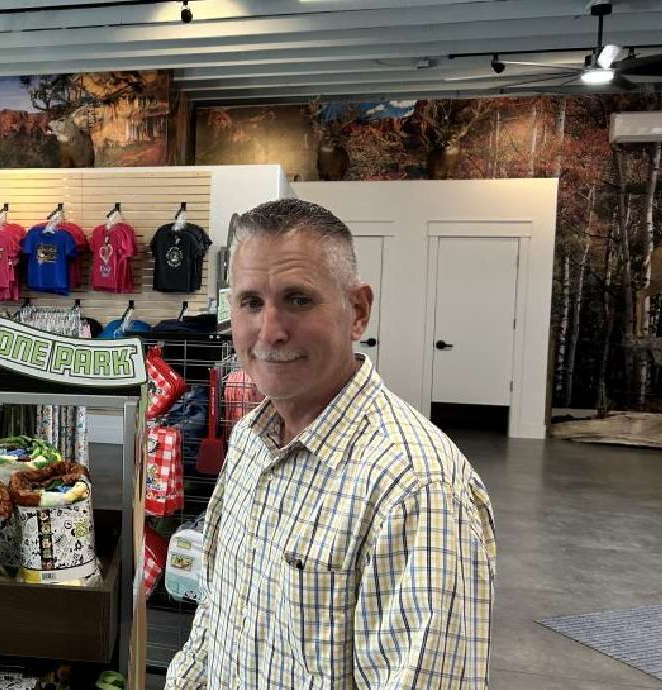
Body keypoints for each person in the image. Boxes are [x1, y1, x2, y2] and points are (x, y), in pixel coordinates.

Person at [165, 199, 496, 689]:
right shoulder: (251, 440)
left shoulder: (417, 490)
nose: (270, 331)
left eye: (298, 299)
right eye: (251, 303)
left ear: (357, 312)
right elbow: (217, 619)